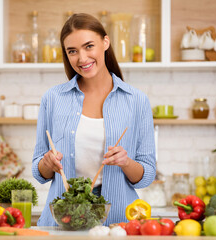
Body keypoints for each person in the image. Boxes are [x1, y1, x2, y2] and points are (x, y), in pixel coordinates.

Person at [32, 13, 156, 226]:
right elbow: (39, 171)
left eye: (89, 46)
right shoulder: (53, 99)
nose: (82, 58)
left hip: (118, 223)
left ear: (105, 42)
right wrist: (47, 162)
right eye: (72, 51)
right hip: (64, 223)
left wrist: (125, 162)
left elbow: (146, 175)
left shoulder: (136, 100)